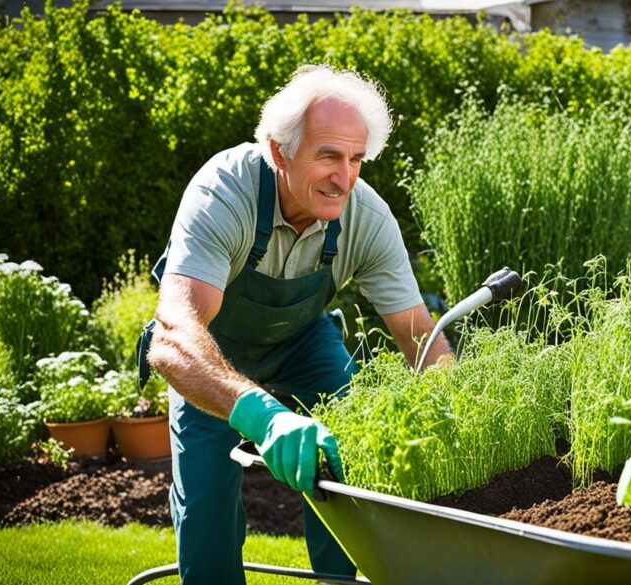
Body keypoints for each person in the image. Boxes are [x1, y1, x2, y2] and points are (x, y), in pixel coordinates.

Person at [142, 64, 453, 584]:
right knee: (206, 504)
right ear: (278, 151)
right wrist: (263, 415)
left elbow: (419, 335)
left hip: (303, 343)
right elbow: (173, 336)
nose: (345, 177)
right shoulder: (224, 192)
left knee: (349, 451)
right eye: (328, 155)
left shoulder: (366, 218)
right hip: (211, 348)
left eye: (356, 158)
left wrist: (456, 412)